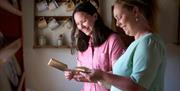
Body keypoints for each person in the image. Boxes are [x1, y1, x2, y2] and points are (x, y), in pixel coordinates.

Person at [84, 0, 166, 91]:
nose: (117, 24)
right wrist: (99, 77)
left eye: (119, 17)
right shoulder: (137, 43)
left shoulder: (148, 43)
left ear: (135, 12)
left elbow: (137, 87)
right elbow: (120, 85)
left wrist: (103, 75)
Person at [64, 1, 125, 91]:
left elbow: (121, 74)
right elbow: (84, 74)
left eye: (84, 21)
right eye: (77, 24)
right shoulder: (82, 43)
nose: (81, 27)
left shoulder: (113, 40)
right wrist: (73, 74)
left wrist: (101, 75)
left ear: (95, 16)